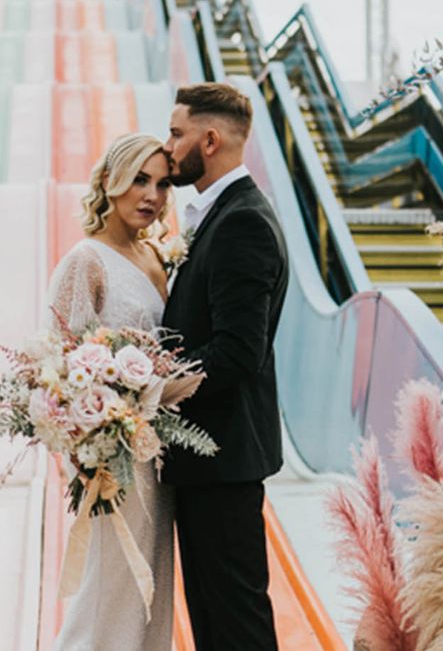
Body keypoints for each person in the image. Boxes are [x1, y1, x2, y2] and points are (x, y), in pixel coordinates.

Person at [161, 82, 288, 650]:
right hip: (209, 461)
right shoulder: (222, 215)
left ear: (209, 140)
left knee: (236, 623)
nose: (169, 148)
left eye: (176, 133)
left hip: (223, 457)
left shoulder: (241, 223)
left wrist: (150, 384)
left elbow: (238, 352)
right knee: (216, 620)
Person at [50, 133, 175, 650]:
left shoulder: (154, 257)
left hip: (158, 456)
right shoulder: (87, 260)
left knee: (152, 590)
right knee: (111, 589)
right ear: (109, 181)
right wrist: (86, 446)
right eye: (140, 180)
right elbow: (59, 364)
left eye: (163, 183)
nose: (152, 195)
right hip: (113, 459)